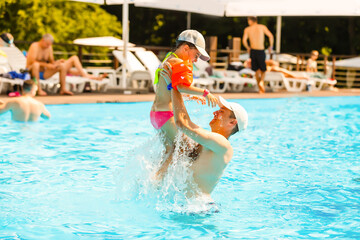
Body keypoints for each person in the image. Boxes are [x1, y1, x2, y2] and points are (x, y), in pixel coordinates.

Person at [156, 89, 248, 201]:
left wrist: (175, 88)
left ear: (232, 123)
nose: (215, 112)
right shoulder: (206, 143)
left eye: (222, 111)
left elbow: (183, 124)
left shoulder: (223, 145)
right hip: (188, 207)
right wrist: (181, 94)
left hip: (199, 210)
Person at [150, 30, 218, 163]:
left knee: (170, 150)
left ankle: (155, 177)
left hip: (155, 114)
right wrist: (205, 93)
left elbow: (171, 88)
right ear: (186, 48)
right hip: (166, 115)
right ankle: (155, 178)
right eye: (196, 55)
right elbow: (181, 87)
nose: (196, 60)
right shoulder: (179, 64)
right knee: (184, 148)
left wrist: (191, 97)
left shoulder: (169, 58)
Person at [26, 33, 105, 96]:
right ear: (42, 40)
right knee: (36, 65)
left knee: (63, 65)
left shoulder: (49, 48)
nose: (48, 46)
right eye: (47, 44)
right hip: (32, 72)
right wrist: (47, 65)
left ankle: (63, 89)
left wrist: (57, 62)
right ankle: (39, 90)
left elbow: (51, 61)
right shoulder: (34, 46)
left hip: (44, 73)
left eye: (50, 44)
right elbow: (32, 62)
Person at [242, 16, 274, 94]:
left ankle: (260, 87)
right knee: (263, 69)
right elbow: (271, 36)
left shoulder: (247, 29)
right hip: (261, 50)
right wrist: (270, 46)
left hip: (253, 50)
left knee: (255, 69)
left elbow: (244, 41)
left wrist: (248, 47)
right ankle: (261, 82)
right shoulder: (262, 27)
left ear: (250, 21)